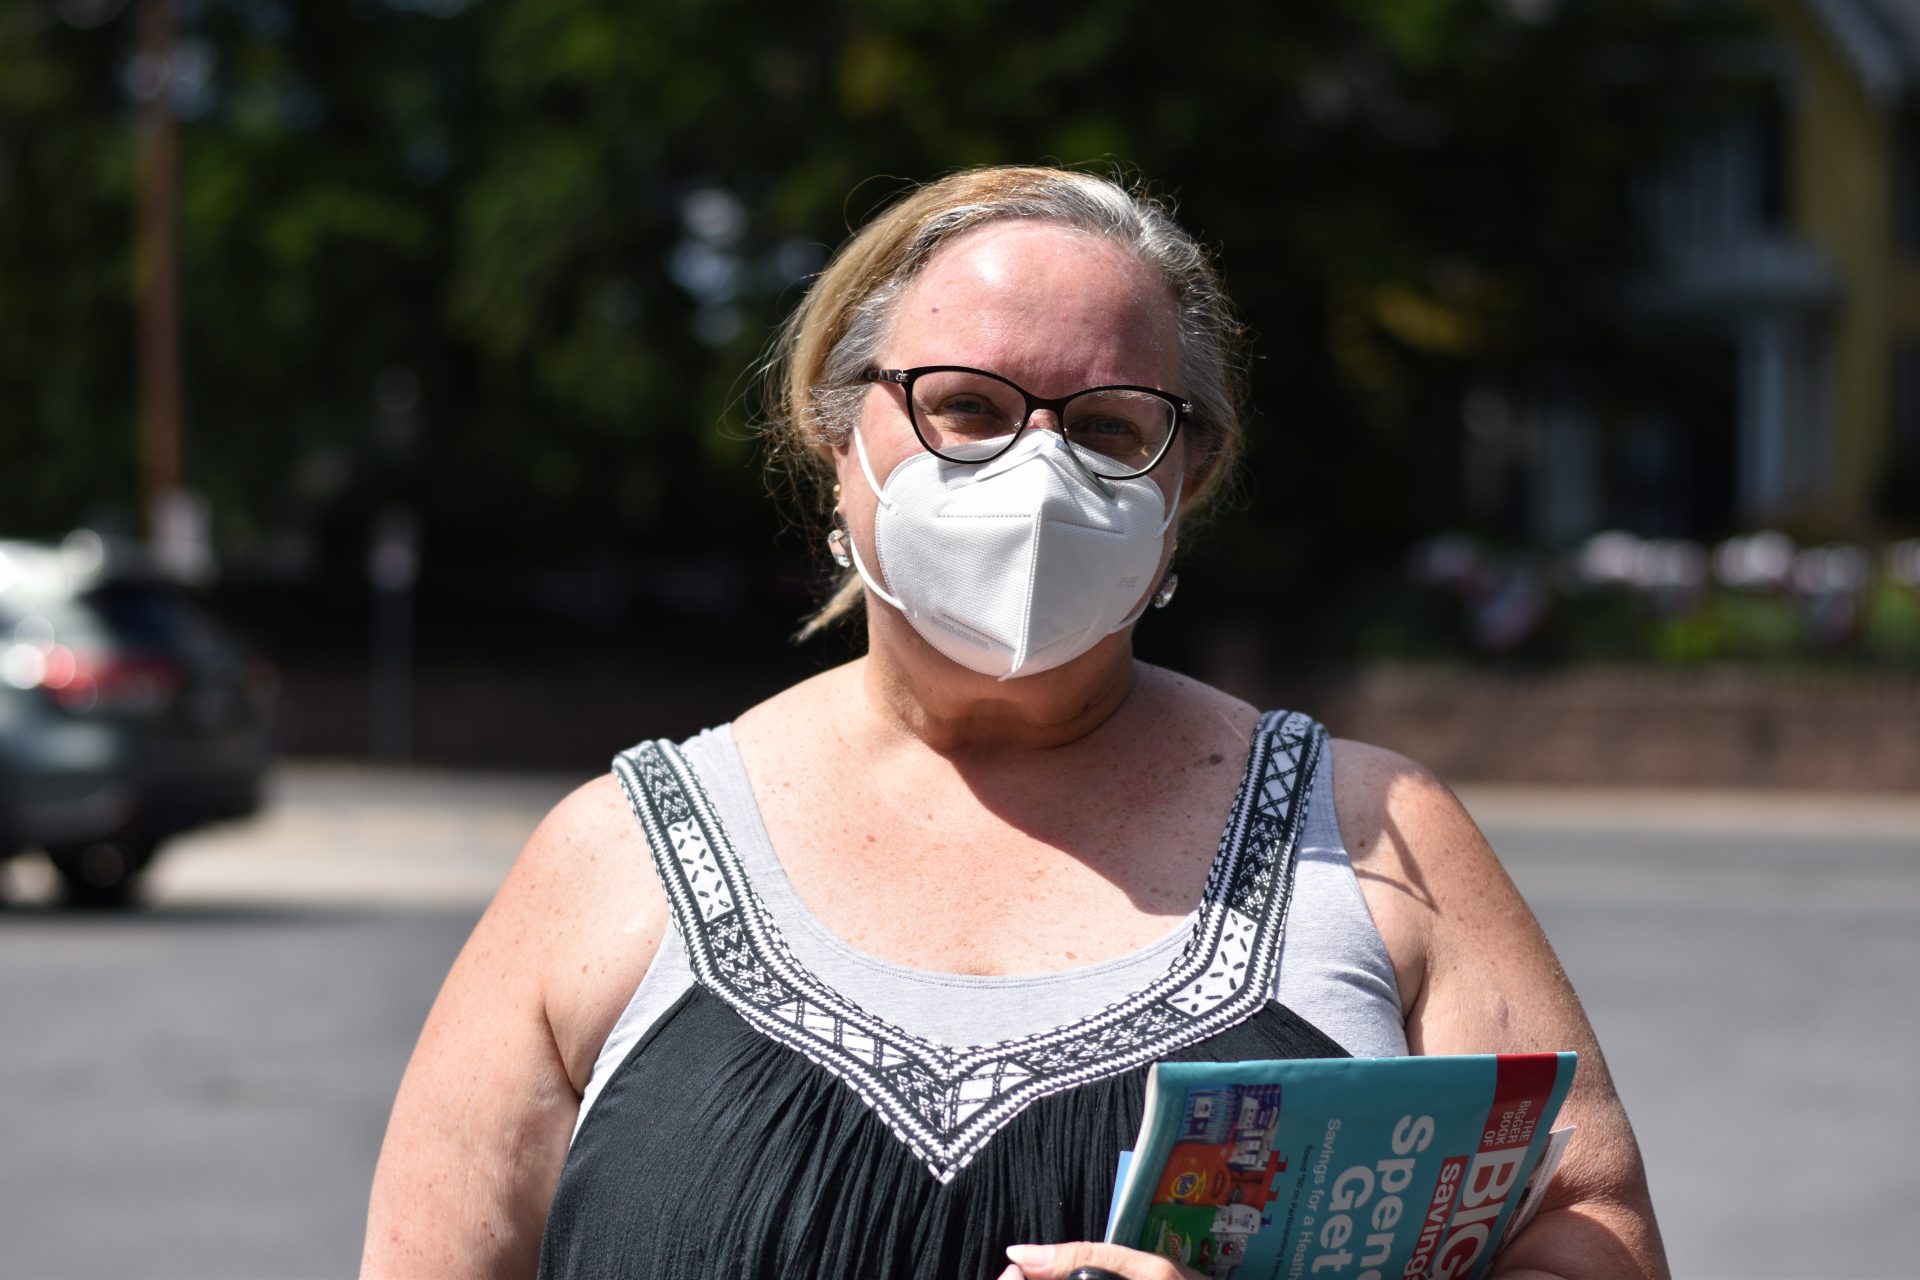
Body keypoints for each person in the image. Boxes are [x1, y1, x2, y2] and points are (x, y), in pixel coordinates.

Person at [361, 166, 1667, 1280]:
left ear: (1186, 479)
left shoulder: (1383, 847)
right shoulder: (617, 860)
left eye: (1107, 427)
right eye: (968, 407)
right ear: (839, 432)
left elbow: (1591, 1238)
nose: (1035, 472)